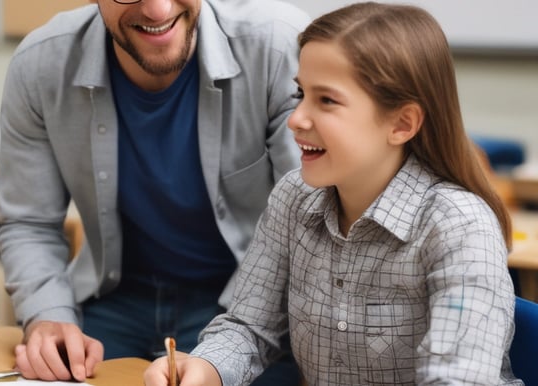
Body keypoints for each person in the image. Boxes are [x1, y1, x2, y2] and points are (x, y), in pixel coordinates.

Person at [143, 2, 522, 385]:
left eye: (326, 100)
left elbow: (456, 379)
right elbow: (248, 326)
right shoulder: (293, 197)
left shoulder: (459, 227)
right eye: (300, 94)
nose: (296, 118)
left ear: (402, 123)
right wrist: (205, 367)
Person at [0, 0, 308, 383]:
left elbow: (307, 227)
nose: (158, 11)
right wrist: (47, 316)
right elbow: (30, 224)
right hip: (112, 304)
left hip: (247, 305)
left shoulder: (279, 48)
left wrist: (227, 345)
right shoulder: (40, 64)